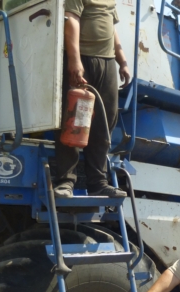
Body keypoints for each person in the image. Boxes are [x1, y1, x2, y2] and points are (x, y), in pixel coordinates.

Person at [54, 0, 131, 198]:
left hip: (107, 64)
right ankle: (65, 182)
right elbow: (70, 19)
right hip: (83, 59)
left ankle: (98, 183)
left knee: (104, 123)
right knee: (73, 120)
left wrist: (122, 62)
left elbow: (111, 29)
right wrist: (74, 60)